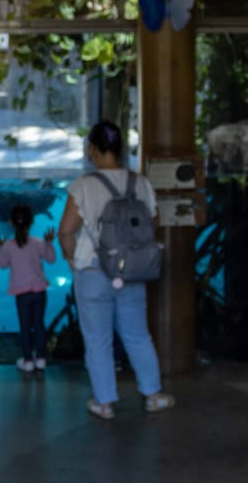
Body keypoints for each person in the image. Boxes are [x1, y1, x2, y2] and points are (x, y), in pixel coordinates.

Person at [56, 120, 176, 419]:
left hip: (94, 271)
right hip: (132, 272)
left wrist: (72, 260)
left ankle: (105, 402)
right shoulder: (141, 183)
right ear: (120, 150)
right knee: (137, 334)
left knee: (98, 339)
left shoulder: (83, 186)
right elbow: (153, 225)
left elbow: (66, 231)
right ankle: (153, 393)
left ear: (92, 149)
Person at [0, 205, 56, 372]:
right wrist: (49, 243)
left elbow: (2, 265)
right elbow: (51, 259)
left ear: (10, 223)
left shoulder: (8, 245)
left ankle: (28, 361)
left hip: (22, 294)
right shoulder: (38, 242)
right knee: (39, 324)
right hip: (39, 291)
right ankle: (41, 359)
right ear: (32, 221)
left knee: (25, 326)